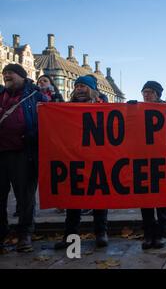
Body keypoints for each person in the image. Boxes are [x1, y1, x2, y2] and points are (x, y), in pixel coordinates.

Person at [54, 75, 109, 250]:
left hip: (98, 158)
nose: (79, 89)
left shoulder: (105, 108)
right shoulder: (66, 109)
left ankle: (101, 233)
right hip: (74, 159)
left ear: (92, 89)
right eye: (77, 86)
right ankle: (70, 238)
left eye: (83, 86)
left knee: (99, 199)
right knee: (73, 202)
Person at [0, 63, 48, 252]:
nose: (6, 76)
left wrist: (32, 135)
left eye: (10, 73)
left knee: (25, 198)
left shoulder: (36, 96)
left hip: (23, 154)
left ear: (21, 76)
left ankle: (24, 234)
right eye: (4, 73)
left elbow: (49, 122)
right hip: (1, 154)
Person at [138, 81, 166, 249]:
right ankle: (148, 234)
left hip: (163, 160)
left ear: (157, 94)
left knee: (163, 200)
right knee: (146, 201)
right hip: (143, 161)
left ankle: (161, 234)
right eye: (144, 91)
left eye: (150, 92)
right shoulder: (136, 110)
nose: (146, 94)